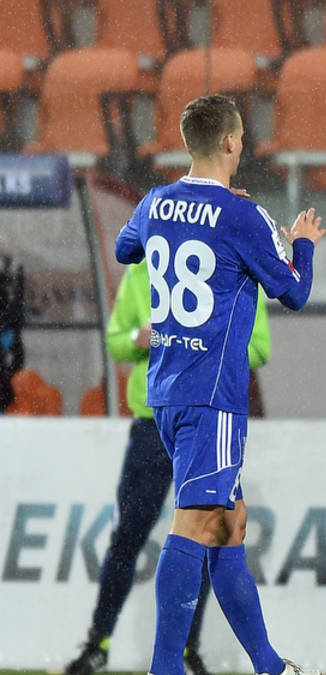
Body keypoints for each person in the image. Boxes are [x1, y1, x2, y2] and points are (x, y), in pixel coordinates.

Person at [113, 94, 326, 675]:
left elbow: (126, 249)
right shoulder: (242, 216)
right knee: (196, 524)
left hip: (165, 388)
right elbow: (295, 292)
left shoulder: (155, 202)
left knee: (230, 524)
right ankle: (165, 667)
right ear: (232, 142)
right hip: (213, 396)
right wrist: (303, 242)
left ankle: (269, 665)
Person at [64, 257, 270, 675]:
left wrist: (198, 345)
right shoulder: (143, 270)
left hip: (206, 419)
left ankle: (186, 649)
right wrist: (138, 338)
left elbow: (259, 346)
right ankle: (99, 641)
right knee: (130, 535)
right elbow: (116, 342)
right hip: (153, 422)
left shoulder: (232, 265)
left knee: (207, 532)